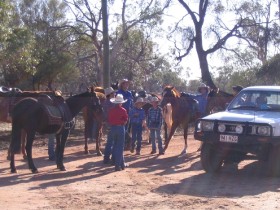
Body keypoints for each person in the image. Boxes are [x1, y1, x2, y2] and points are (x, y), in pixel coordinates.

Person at [107, 94, 128, 171]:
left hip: (112, 128)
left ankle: (121, 164)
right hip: (120, 128)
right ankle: (118, 165)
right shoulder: (123, 110)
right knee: (120, 147)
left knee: (115, 145)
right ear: (120, 103)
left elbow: (109, 120)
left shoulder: (111, 110)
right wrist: (122, 123)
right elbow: (125, 120)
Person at [116, 79, 133, 149]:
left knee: (126, 128)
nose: (127, 85)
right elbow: (117, 103)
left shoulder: (129, 93)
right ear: (122, 84)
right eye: (125, 84)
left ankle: (125, 144)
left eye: (127, 84)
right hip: (121, 113)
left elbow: (131, 103)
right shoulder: (119, 92)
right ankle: (127, 140)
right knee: (122, 128)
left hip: (128, 113)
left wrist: (132, 110)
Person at [103, 87, 117, 164]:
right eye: (113, 93)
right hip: (114, 124)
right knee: (114, 142)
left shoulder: (105, 103)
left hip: (108, 124)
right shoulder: (113, 103)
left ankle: (106, 157)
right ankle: (113, 158)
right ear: (110, 94)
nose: (114, 94)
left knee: (109, 142)